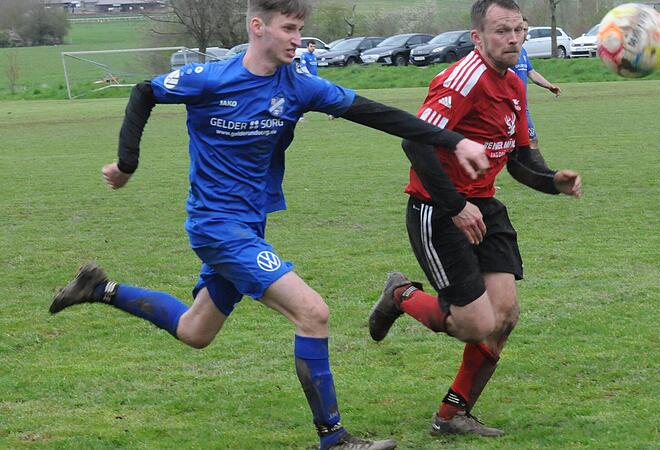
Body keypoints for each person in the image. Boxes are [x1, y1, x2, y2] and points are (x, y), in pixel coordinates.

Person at [48, 1, 489, 449]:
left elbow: (376, 114)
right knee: (312, 312)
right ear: (258, 27)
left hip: (249, 225)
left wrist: (454, 140)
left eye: (300, 29)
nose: (298, 39)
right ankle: (333, 439)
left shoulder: (299, 86)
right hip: (216, 227)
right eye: (289, 28)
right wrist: (127, 164)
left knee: (194, 331)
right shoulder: (210, 80)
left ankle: (98, 288)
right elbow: (144, 91)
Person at [367, 0, 582, 438]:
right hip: (437, 208)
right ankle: (401, 293)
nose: (513, 39)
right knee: (474, 324)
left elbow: (521, 158)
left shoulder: (515, 81)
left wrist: (552, 180)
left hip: (484, 205)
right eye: (502, 30)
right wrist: (454, 206)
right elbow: (415, 142)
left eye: (518, 30)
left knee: (503, 315)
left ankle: (452, 415)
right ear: (477, 36)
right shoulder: (462, 80)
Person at [514, 17, 561, 146]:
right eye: (520, 29)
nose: (523, 33)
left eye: (525, 29)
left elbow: (531, 72)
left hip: (523, 108)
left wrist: (549, 86)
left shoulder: (522, 51)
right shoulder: (507, 54)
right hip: (508, 108)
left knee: (531, 140)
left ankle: (529, 166)